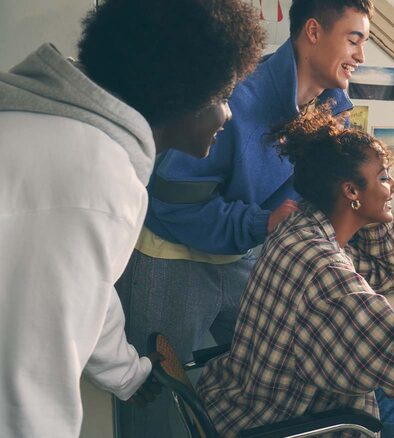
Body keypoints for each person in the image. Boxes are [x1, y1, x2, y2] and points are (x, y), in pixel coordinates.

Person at [114, 0, 390, 435]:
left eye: (364, 42)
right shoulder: (236, 95)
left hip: (244, 257)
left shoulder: (334, 108)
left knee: (265, 381)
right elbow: (170, 202)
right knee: (154, 408)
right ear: (313, 32)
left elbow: (302, 204)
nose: (360, 55)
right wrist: (259, 224)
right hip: (172, 258)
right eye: (353, 39)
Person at [0, 0, 264, 436]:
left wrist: (126, 373)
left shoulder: (70, 139)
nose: (228, 114)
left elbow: (87, 289)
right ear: (183, 93)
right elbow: (29, 382)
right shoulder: (95, 177)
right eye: (222, 96)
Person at [197, 108, 394, 438]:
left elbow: (391, 273)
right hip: (283, 423)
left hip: (246, 403)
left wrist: (371, 211)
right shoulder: (325, 269)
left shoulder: (302, 227)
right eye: (382, 177)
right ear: (350, 191)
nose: (392, 186)